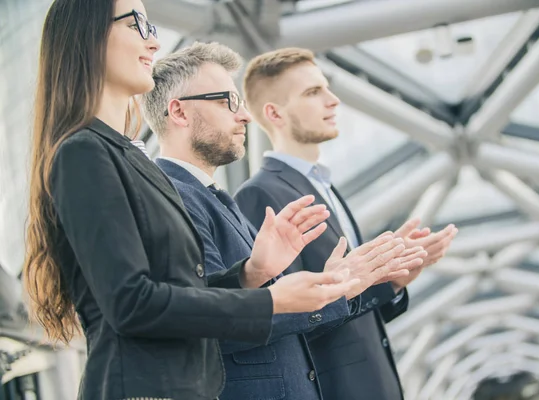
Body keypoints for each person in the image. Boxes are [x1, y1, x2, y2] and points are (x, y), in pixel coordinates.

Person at [22, 3, 359, 399]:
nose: (154, 40)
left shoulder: (129, 157)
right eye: (137, 24)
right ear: (89, 35)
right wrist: (269, 301)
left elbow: (181, 290)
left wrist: (251, 273)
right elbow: (132, 304)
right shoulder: (84, 152)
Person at [143, 41, 422, 400]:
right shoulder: (172, 199)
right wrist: (335, 289)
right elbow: (205, 322)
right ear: (179, 113)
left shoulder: (214, 198)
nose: (244, 115)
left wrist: (349, 285)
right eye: (226, 101)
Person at [236, 47, 459, 400]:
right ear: (274, 113)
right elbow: (288, 323)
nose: (333, 101)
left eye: (327, 88)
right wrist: (364, 281)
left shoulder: (325, 187)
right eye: (313, 92)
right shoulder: (260, 196)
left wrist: (391, 279)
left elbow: (349, 311)